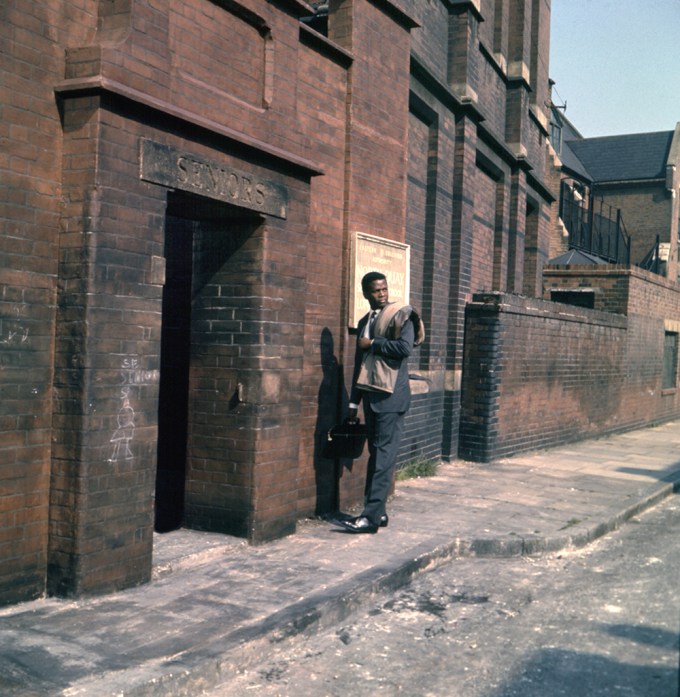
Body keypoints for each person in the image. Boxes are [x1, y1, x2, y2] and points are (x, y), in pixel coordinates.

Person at [336, 271, 420, 534]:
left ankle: (370, 518)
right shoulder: (365, 320)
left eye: (384, 289)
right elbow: (360, 365)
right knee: (377, 456)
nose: (381, 294)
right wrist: (353, 403)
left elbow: (405, 349)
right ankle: (378, 512)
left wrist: (373, 342)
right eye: (375, 291)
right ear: (365, 294)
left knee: (383, 457)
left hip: (392, 399)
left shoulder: (400, 316)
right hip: (371, 398)